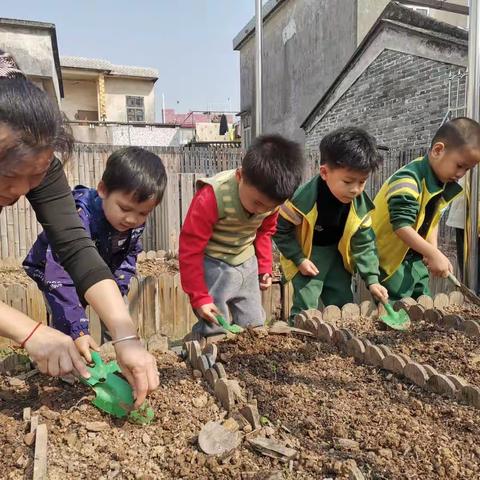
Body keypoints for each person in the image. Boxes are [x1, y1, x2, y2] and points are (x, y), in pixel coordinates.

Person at [0, 50, 158, 406]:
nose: (23, 190)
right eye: (10, 177)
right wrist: (31, 333)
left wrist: (125, 336)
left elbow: (75, 246)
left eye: (36, 177)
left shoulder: (37, 162)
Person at [23, 146, 166, 359]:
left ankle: (115, 359)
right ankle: (66, 366)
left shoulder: (132, 224)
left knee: (117, 311)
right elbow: (59, 275)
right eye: (125, 208)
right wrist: (78, 330)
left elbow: (128, 254)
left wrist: (118, 288)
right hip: (55, 269)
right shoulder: (79, 215)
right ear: (103, 190)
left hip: (99, 269)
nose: (132, 219)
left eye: (143, 213)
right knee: (68, 320)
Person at [179, 134, 304, 337]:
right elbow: (190, 249)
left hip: (247, 261)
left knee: (254, 324)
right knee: (214, 325)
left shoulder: (271, 204)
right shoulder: (211, 197)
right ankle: (205, 360)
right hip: (213, 265)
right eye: (257, 203)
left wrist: (264, 266)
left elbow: (265, 232)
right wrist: (199, 297)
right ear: (240, 176)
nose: (260, 210)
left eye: (269, 206)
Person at [274, 127, 387, 322]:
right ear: (325, 173)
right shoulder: (302, 200)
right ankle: (298, 340)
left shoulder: (360, 206)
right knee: (305, 305)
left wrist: (372, 279)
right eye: (348, 181)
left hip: (338, 255)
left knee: (343, 301)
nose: (355, 189)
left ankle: (344, 339)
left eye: (362, 182)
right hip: (309, 256)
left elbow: (364, 243)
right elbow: (280, 229)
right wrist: (299, 259)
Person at [372, 117, 480, 301]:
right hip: (390, 260)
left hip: (414, 257)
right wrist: (432, 253)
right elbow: (401, 226)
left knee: (423, 302)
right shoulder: (408, 180)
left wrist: (433, 251)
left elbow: (433, 219)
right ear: (438, 150)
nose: (461, 174)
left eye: (468, 169)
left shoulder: (440, 182)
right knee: (400, 306)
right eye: (460, 165)